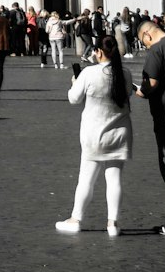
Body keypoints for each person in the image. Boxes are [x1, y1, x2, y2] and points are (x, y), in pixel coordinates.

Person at [55, 34, 135, 236]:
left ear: (98, 52)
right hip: (119, 133)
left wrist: (75, 81)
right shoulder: (124, 73)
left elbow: (74, 99)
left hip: (94, 134)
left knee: (86, 180)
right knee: (114, 179)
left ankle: (76, 218)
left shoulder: (89, 73)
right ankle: (113, 223)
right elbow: (128, 93)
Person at [136, 19, 165, 236]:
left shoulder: (156, 50)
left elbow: (150, 85)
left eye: (143, 43)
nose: (145, 46)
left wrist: (137, 89)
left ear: (147, 35)